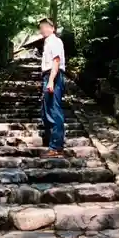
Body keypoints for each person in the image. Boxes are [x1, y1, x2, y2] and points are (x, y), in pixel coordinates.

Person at [39, 18, 65, 158]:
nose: (42, 30)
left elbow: (56, 61)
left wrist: (50, 81)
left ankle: (56, 147)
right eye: (41, 27)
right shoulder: (48, 42)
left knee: (54, 111)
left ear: (52, 28)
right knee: (47, 110)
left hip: (53, 76)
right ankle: (52, 143)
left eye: (44, 27)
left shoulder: (55, 41)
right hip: (49, 76)